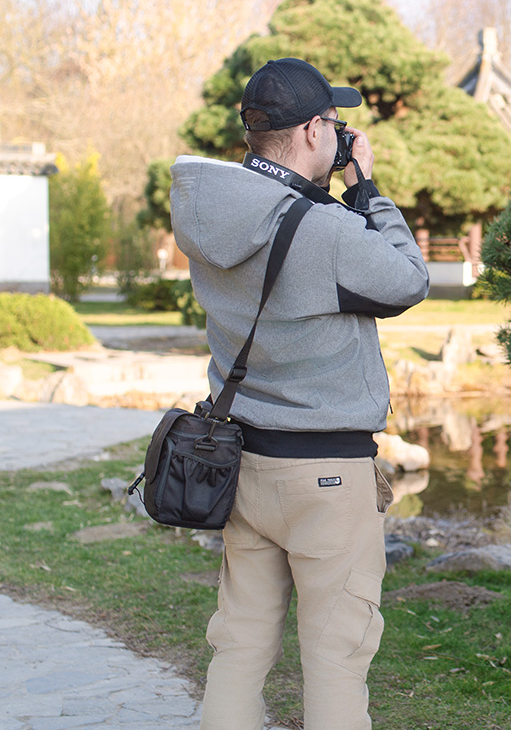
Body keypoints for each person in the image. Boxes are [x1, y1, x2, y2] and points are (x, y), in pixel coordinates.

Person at [171, 57, 430, 730]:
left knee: (239, 647)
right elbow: (406, 279)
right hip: (328, 479)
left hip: (243, 467)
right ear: (316, 131)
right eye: (336, 126)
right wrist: (366, 186)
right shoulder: (329, 231)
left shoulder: (211, 216)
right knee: (337, 658)